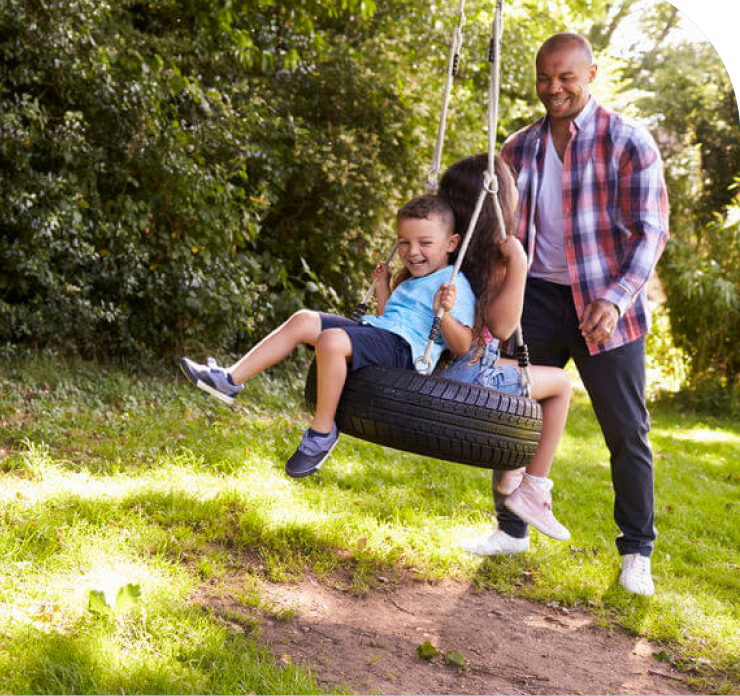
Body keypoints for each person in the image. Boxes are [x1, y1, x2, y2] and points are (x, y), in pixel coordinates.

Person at [460, 33, 669, 598]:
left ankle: (636, 552)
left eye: (566, 77)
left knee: (627, 432)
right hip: (536, 300)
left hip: (605, 304)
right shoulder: (519, 147)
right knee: (509, 413)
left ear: (591, 74)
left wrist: (618, 296)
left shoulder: (628, 141)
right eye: (544, 79)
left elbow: (652, 234)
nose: (554, 88)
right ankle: (511, 528)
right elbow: (498, 230)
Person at [179, 194, 476, 479]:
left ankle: (321, 433)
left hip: (406, 352)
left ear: (451, 243)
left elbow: (462, 345)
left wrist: (445, 313)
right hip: (382, 333)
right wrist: (383, 286)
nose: (412, 252)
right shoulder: (413, 281)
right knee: (303, 320)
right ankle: (229, 380)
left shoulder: (453, 284)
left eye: (424, 243)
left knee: (331, 340)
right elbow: (388, 318)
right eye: (404, 243)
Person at [436, 154, 574, 543]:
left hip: (434, 369)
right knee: (560, 384)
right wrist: (520, 265)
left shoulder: (440, 249)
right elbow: (501, 326)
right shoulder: (495, 258)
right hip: (470, 378)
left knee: (520, 372)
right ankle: (534, 487)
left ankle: (513, 468)